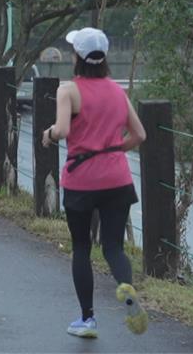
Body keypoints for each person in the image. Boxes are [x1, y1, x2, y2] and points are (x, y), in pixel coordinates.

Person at [41, 27, 148, 339]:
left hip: (82, 181)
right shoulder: (117, 92)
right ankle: (126, 288)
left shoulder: (69, 90)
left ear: (77, 57)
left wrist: (48, 134)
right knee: (113, 247)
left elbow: (61, 130)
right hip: (118, 179)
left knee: (81, 248)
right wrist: (113, 151)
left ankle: (87, 320)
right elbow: (140, 134)